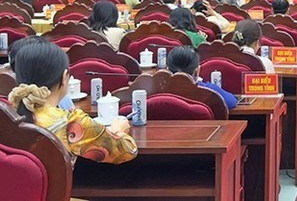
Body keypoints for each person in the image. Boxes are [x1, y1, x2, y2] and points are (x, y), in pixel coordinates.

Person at [9, 41, 138, 164]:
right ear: (65, 77)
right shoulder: (71, 123)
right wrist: (118, 130)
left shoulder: (7, 115)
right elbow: (129, 150)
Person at [167, 46, 237, 110]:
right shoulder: (210, 90)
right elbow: (231, 102)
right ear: (197, 71)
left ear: (167, 70)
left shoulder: (158, 90)